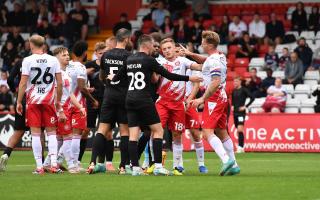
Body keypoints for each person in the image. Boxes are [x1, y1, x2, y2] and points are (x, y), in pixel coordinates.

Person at [108, 34, 202, 176]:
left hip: (130, 99)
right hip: (144, 100)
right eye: (153, 45)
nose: (155, 48)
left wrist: (111, 78)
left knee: (133, 135)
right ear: (146, 45)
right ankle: (157, 165)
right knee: (157, 131)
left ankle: (134, 168)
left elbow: (116, 77)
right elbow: (169, 76)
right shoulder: (149, 60)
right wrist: (189, 77)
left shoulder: (129, 59)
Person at [184, 30, 240, 176]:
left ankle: (226, 160)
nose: (201, 43)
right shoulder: (219, 56)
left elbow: (215, 81)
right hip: (222, 97)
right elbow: (205, 61)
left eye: (203, 41)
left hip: (214, 98)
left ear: (208, 44)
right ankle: (234, 165)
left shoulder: (214, 60)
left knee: (208, 132)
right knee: (222, 131)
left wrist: (202, 99)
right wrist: (190, 54)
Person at [16, 35, 63, 174]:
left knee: (35, 134)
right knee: (52, 132)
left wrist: (19, 101)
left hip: (33, 101)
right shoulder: (53, 60)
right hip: (49, 101)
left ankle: (39, 167)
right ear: (44, 45)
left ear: (31, 45)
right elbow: (59, 83)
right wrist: (58, 101)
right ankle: (54, 164)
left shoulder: (27, 60)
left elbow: (23, 83)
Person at [87, 29, 132, 175]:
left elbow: (102, 76)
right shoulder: (129, 56)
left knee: (102, 129)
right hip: (123, 95)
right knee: (125, 131)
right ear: (126, 39)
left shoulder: (106, 55)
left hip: (109, 95)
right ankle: (123, 166)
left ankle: (93, 162)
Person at [155, 38, 202, 175]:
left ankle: (177, 166)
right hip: (162, 102)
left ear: (174, 49)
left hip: (178, 104)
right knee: (156, 131)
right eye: (164, 49)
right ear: (162, 52)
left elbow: (199, 67)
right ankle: (153, 164)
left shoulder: (183, 61)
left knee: (177, 135)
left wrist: (194, 55)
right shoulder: (159, 63)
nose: (167, 51)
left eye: (169, 48)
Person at [45, 46, 86, 173]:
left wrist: (79, 106)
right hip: (60, 109)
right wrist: (60, 110)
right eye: (64, 55)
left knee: (60, 139)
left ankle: (47, 163)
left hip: (64, 108)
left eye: (68, 54)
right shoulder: (58, 75)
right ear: (56, 58)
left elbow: (69, 94)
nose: (67, 57)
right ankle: (72, 165)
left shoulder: (65, 74)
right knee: (68, 137)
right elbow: (56, 94)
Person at [66, 41, 99, 170]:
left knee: (64, 135)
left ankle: (54, 161)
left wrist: (86, 88)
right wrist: (93, 100)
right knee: (76, 135)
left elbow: (74, 85)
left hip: (66, 102)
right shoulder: (80, 67)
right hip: (78, 103)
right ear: (85, 53)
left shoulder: (68, 66)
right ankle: (74, 163)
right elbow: (81, 87)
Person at [85, 42, 115, 171]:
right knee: (86, 130)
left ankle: (107, 163)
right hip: (92, 101)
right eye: (101, 53)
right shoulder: (89, 66)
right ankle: (78, 162)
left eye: (105, 53)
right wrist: (87, 88)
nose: (103, 55)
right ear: (96, 53)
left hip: (107, 101)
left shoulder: (112, 65)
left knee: (108, 133)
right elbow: (80, 81)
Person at [0, 57, 27, 172]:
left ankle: (6, 154)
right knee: (38, 132)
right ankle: (41, 164)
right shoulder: (44, 60)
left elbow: (10, 79)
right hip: (36, 99)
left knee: (18, 131)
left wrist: (14, 90)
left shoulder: (20, 61)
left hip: (21, 98)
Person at [231, 77, 254, 153]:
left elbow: (252, 97)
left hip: (241, 113)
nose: (235, 83)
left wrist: (245, 106)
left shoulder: (244, 90)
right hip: (235, 113)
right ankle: (241, 147)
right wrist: (232, 106)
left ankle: (241, 147)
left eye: (236, 81)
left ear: (240, 82)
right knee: (238, 130)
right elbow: (233, 101)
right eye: (234, 82)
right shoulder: (234, 91)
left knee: (240, 129)